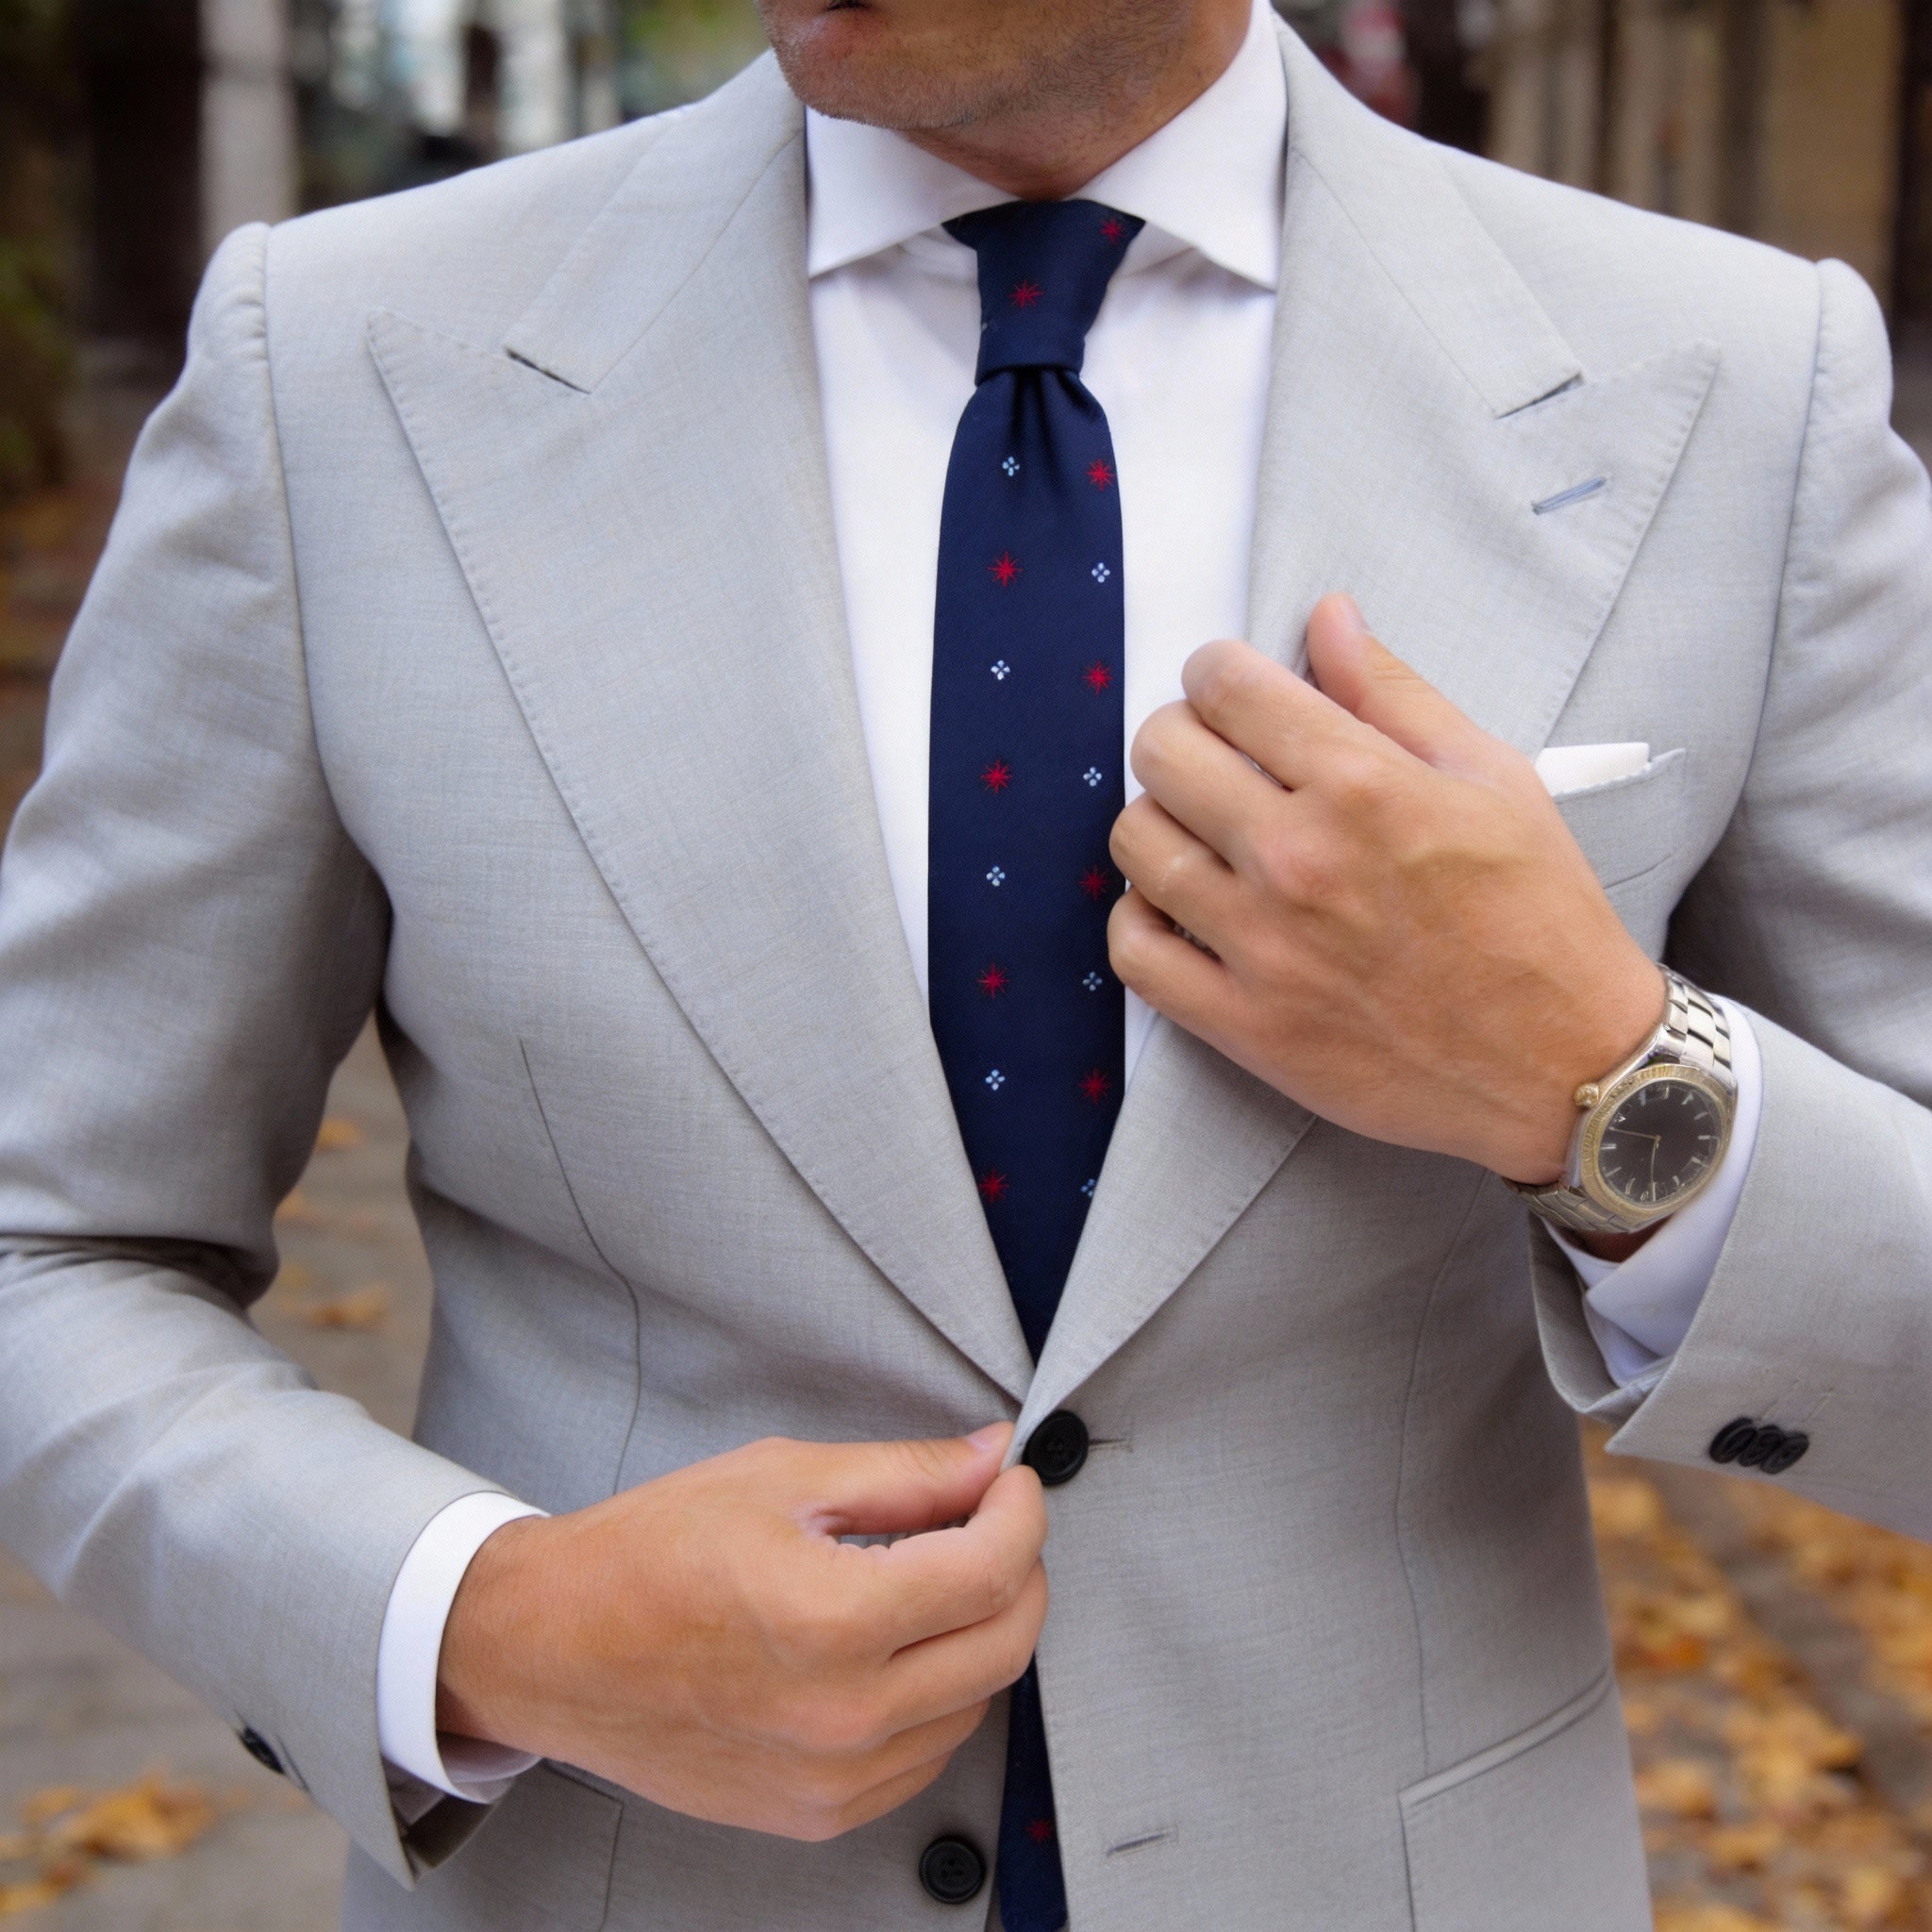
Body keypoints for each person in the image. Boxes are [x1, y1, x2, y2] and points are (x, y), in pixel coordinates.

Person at [1, 0, 1928, 1923]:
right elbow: (49, 1241)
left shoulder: (1733, 390)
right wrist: (483, 1619)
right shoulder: (332, 370)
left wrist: (1601, 1081)